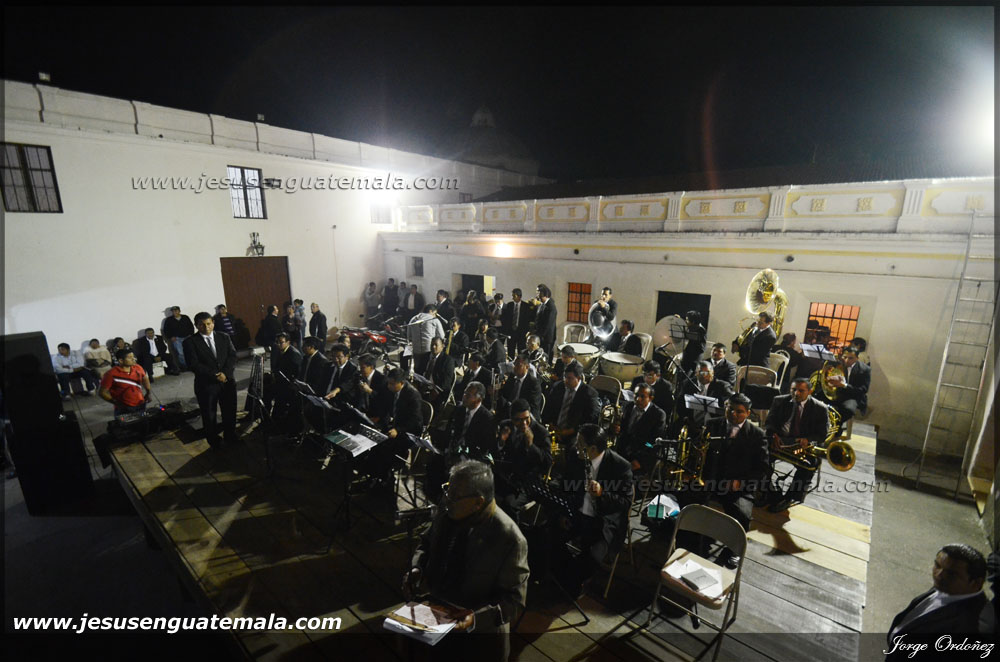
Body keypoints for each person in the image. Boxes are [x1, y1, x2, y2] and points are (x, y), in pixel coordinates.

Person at [403, 459, 529, 662]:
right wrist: (418, 567)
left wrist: (474, 619)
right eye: (447, 489)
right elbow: (426, 542)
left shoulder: (510, 539)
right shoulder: (451, 509)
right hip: (438, 619)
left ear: (478, 502)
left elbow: (514, 601)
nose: (447, 499)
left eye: (454, 496)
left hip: (478, 643)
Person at [677, 393, 769, 569]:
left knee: (742, 515)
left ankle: (733, 550)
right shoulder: (712, 424)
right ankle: (689, 539)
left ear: (748, 413)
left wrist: (740, 483)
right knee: (685, 498)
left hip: (737, 486)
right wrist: (692, 472)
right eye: (730, 409)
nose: (733, 414)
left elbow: (762, 469)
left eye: (739, 412)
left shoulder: (757, 434)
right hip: (710, 480)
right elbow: (697, 451)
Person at [554, 423, 632, 596]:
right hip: (577, 514)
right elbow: (565, 485)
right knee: (550, 534)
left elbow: (625, 502)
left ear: (593, 449)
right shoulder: (576, 457)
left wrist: (602, 493)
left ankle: (572, 582)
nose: (576, 446)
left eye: (580, 444)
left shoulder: (620, 466)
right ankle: (564, 574)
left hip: (603, 523)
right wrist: (563, 513)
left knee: (588, 559)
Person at [886, 544, 990, 660]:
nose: (939, 575)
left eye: (951, 573)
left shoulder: (971, 628)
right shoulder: (950, 588)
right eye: (937, 565)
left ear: (976, 583)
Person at [765, 377, 831, 511]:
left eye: (801, 391)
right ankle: (768, 491)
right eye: (793, 390)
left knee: (810, 465)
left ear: (810, 392)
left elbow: (822, 435)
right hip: (780, 439)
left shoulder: (820, 408)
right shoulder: (779, 401)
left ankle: (789, 498)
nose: (796, 393)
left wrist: (808, 440)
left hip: (802, 444)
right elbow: (769, 423)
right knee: (759, 454)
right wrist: (773, 435)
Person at [183, 312, 238, 449]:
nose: (206, 327)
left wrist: (225, 373)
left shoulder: (224, 337)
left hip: (227, 382)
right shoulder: (190, 342)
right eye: (202, 325)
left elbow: (232, 356)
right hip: (206, 385)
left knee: (230, 412)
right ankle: (214, 442)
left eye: (208, 323)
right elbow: (193, 364)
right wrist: (215, 375)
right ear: (196, 325)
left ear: (213, 323)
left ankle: (230, 436)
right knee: (209, 415)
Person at [495, 399, 552, 516]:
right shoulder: (505, 425)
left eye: (527, 418)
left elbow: (547, 463)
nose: (524, 423)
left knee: (509, 504)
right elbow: (495, 453)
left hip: (527, 483)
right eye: (518, 420)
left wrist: (531, 446)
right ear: (511, 418)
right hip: (506, 477)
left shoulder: (541, 433)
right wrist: (501, 443)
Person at [542, 361, 601, 448]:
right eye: (565, 377)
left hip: (575, 434)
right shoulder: (558, 387)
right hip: (554, 428)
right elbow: (548, 408)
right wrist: (552, 426)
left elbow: (590, 420)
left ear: (579, 378)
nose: (566, 381)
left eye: (569, 378)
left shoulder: (589, 394)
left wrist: (568, 431)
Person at [615, 382, 667, 473]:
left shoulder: (658, 415)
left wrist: (640, 461)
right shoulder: (628, 407)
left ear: (650, 398)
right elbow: (623, 431)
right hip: (622, 451)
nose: (638, 399)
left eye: (642, 397)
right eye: (636, 395)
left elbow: (653, 444)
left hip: (642, 455)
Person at [814, 345, 870, 426]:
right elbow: (827, 374)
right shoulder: (836, 364)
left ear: (857, 358)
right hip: (836, 392)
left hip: (852, 396)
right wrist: (830, 380)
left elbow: (863, 390)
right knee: (814, 399)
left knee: (848, 410)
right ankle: (817, 424)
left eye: (851, 358)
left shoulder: (864, 369)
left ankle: (835, 426)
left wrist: (844, 385)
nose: (847, 360)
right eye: (845, 357)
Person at [675, 360, 733, 434]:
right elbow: (680, 405)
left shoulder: (722, 386)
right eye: (702, 373)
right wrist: (687, 419)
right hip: (690, 423)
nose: (704, 375)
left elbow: (730, 399)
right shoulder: (687, 384)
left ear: (713, 373)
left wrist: (727, 401)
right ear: (696, 373)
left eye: (708, 372)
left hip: (713, 425)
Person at [99, 349, 152, 416]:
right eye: (130, 357)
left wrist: (148, 392)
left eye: (133, 357)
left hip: (140, 403)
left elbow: (145, 379)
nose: (133, 359)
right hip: (124, 408)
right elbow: (102, 392)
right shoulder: (111, 374)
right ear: (121, 360)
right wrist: (116, 403)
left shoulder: (138, 368)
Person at [496, 353, 542, 421]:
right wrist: (496, 392)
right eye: (514, 365)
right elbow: (504, 395)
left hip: (523, 416)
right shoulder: (512, 377)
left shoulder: (533, 383)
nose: (515, 368)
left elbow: (533, 406)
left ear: (527, 367)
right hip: (508, 413)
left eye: (518, 365)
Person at [270, 333, 303, 420]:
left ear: (288, 342)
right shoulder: (278, 351)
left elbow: (297, 373)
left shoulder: (294, 354)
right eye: (277, 342)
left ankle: (276, 419)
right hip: (279, 380)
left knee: (279, 395)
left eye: (281, 342)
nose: (278, 344)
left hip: (288, 385)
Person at [421, 336, 457, 414]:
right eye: (432, 345)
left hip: (437, 390)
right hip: (423, 386)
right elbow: (419, 371)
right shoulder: (425, 356)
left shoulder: (448, 360)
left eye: (436, 345)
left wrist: (436, 391)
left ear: (442, 346)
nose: (433, 347)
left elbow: (447, 381)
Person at [407, 304, 445, 375]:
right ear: (430, 311)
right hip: (429, 350)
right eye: (435, 313)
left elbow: (409, 336)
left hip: (416, 350)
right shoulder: (434, 320)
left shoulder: (412, 319)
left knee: (417, 371)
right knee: (427, 371)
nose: (435, 315)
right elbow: (441, 336)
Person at [357, 354, 391, 424]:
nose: (360, 370)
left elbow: (385, 401)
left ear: (371, 367)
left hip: (378, 418)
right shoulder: (360, 377)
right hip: (365, 414)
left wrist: (369, 391)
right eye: (359, 367)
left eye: (363, 367)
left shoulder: (382, 380)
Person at [501, 288, 533, 358]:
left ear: (519, 296)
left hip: (521, 333)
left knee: (521, 351)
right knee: (510, 351)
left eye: (514, 296)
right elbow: (505, 318)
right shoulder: (509, 305)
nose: (512, 298)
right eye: (512, 295)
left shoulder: (526, 306)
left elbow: (528, 320)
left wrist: (526, 331)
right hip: (511, 332)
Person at [163, 306, 194, 370]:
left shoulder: (185, 317)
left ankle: (191, 365)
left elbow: (191, 326)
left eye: (176, 310)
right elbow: (166, 330)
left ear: (179, 311)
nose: (174, 312)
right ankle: (184, 366)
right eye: (173, 311)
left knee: (190, 351)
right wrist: (171, 337)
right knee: (180, 353)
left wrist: (191, 335)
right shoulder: (169, 320)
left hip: (187, 337)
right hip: (177, 339)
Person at [680, 310, 707, 376]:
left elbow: (702, 348)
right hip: (687, 357)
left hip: (694, 359)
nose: (686, 321)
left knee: (691, 376)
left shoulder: (701, 330)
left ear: (693, 321)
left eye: (687, 320)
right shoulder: (691, 327)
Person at [533, 284, 557, 358]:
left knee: (546, 357)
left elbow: (548, 325)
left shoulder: (551, 307)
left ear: (545, 294)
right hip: (540, 336)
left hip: (546, 338)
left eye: (539, 294)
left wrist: (540, 336)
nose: (537, 296)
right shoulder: (541, 304)